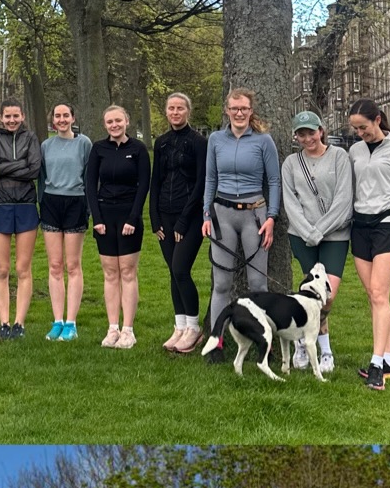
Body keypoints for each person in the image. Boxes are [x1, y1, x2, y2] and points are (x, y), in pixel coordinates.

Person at [346, 97, 390, 391]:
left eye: (363, 127)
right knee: (373, 296)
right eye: (356, 130)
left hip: (387, 226)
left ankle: (376, 366)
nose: (360, 133)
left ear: (377, 119)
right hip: (359, 227)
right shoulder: (354, 152)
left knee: (379, 293)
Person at [202, 88, 281, 339]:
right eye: (234, 108)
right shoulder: (215, 139)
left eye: (244, 108)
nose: (239, 113)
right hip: (221, 215)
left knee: (257, 284)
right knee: (222, 284)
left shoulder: (263, 141)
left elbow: (275, 181)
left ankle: (261, 340)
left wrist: (271, 217)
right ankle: (217, 341)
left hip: (254, 216)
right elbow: (210, 178)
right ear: (227, 110)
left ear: (250, 111)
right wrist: (206, 214)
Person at [280, 111, 353, 375]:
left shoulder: (339, 157)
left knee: (327, 297)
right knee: (310, 296)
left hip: (334, 235)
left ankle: (311, 340)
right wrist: (307, 232)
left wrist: (320, 230)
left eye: (312, 132)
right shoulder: (291, 163)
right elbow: (290, 202)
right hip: (301, 235)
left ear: (321, 131)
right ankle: (313, 346)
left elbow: (344, 199)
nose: (308, 138)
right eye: (302, 134)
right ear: (295, 136)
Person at [85, 105, 150, 349]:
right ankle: (113, 328)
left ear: (127, 121)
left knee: (128, 271)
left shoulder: (138, 149)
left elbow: (143, 185)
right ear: (105, 125)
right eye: (110, 121)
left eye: (118, 121)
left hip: (129, 215)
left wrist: (133, 219)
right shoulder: (98, 149)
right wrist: (97, 219)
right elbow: (91, 185)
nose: (114, 125)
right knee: (110, 272)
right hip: (105, 216)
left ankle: (128, 330)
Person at [149, 91, 208, 355]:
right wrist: (154, 218)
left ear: (188, 111)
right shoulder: (161, 142)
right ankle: (180, 325)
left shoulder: (198, 142)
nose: (175, 112)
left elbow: (201, 183)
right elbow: (155, 181)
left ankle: (194, 327)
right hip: (165, 214)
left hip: (190, 216)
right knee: (173, 272)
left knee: (181, 269)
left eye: (180, 108)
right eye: (171, 108)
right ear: (166, 112)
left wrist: (184, 221)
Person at [0, 100, 42, 340]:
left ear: (22, 115)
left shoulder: (31, 137)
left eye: (15, 116)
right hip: (0, 205)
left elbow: (35, 170)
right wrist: (19, 165)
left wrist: (3, 166)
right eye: (7, 116)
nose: (11, 120)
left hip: (27, 205)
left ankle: (19, 323)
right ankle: (4, 323)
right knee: (2, 268)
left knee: (22, 268)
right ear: (0, 117)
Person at [39, 102, 92, 341]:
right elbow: (41, 178)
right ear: (53, 120)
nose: (61, 119)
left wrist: (88, 208)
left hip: (76, 203)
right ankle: (57, 320)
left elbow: (90, 177)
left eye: (65, 115)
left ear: (73, 117)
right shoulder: (46, 145)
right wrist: (42, 201)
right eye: (57, 115)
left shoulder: (84, 144)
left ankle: (71, 322)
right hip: (51, 203)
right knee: (55, 265)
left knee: (73, 265)